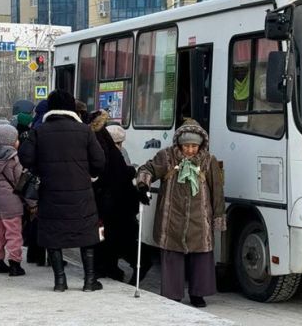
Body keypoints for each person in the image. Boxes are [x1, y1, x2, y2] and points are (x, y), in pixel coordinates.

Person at [18, 90, 105, 292]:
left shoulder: (40, 131)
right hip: (81, 192)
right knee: (86, 234)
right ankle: (89, 280)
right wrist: (88, 173)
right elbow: (99, 162)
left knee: (52, 234)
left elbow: (26, 158)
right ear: (72, 107)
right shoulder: (85, 131)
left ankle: (60, 281)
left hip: (50, 192)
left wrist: (41, 168)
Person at [136, 119, 225, 307]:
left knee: (201, 256)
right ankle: (172, 294)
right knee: (172, 255)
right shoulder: (167, 157)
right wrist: (143, 184)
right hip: (172, 216)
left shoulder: (209, 160)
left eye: (194, 146)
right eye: (187, 146)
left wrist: (218, 216)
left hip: (199, 218)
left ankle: (198, 294)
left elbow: (217, 190)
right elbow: (147, 168)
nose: (190, 150)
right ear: (179, 144)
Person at [90, 110, 148, 282]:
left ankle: (132, 263)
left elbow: (111, 175)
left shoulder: (107, 150)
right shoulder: (111, 150)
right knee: (108, 236)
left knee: (113, 237)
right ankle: (109, 267)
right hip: (116, 204)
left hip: (113, 205)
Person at [105, 123, 153, 284]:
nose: (120, 146)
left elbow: (122, 177)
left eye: (120, 143)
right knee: (115, 239)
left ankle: (140, 261)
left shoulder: (114, 153)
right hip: (117, 204)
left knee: (119, 239)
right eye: (117, 143)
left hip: (117, 205)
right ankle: (112, 268)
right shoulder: (113, 153)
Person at [0, 125, 25, 277]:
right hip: (12, 201)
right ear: (12, 141)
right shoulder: (14, 159)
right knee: (13, 233)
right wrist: (32, 203)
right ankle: (15, 264)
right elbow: (20, 182)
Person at [23, 99, 49, 267]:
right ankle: (41, 255)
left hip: (33, 179)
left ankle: (33, 253)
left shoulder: (33, 126)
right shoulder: (44, 128)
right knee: (43, 219)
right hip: (43, 178)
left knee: (33, 217)